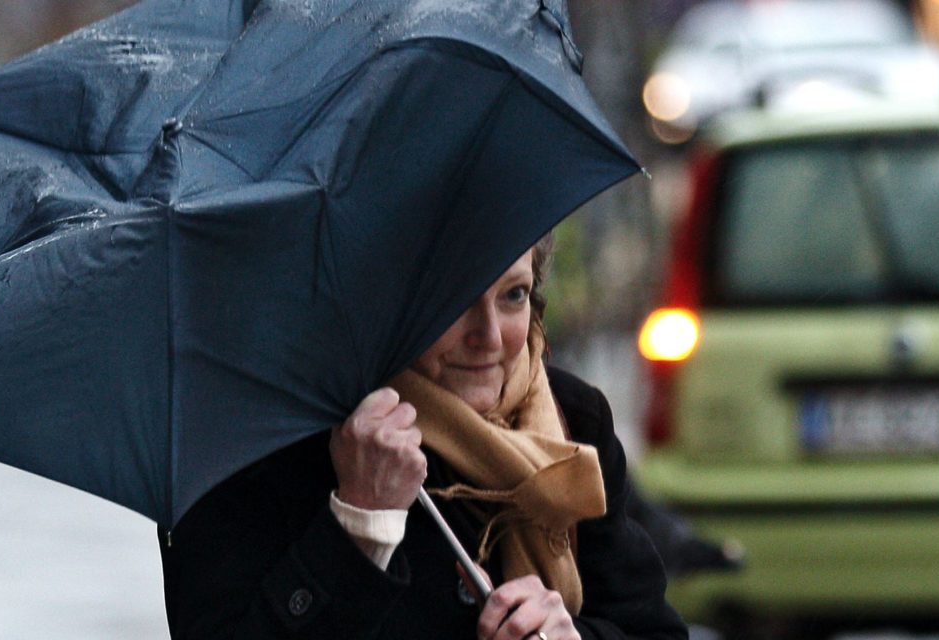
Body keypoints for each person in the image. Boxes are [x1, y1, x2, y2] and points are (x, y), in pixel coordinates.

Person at [158, 235, 688, 639]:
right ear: (386, 301)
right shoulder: (263, 440)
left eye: (514, 294)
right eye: (452, 299)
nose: (489, 336)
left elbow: (650, 626)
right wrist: (359, 526)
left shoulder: (572, 422)